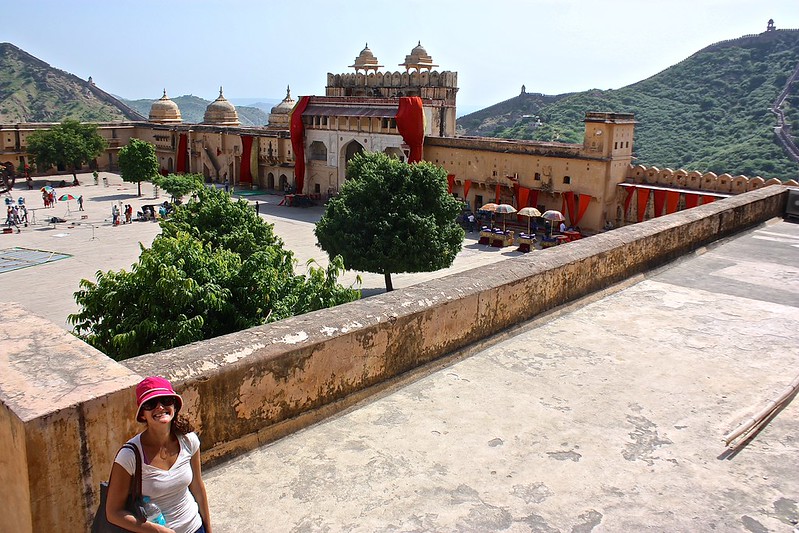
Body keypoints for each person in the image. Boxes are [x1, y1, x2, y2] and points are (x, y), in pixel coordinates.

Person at [106, 376, 212, 533]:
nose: (160, 407)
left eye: (166, 400)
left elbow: (197, 487)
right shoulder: (129, 456)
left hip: (195, 527)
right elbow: (113, 513)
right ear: (143, 414)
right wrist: (156, 530)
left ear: (174, 406)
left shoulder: (188, 441)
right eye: (151, 404)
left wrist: (208, 528)